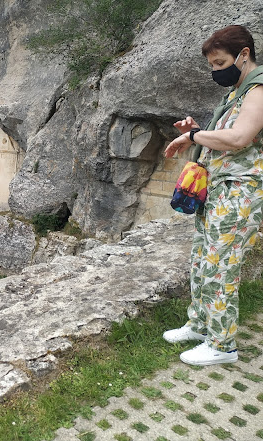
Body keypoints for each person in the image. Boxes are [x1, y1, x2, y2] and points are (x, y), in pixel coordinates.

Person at [163, 25, 263, 366]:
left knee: (221, 266)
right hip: (219, 191)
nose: (216, 71)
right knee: (201, 259)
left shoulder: (259, 90)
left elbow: (239, 139)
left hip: (242, 193)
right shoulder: (236, 93)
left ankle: (223, 346)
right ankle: (201, 325)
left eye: (221, 63)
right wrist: (195, 132)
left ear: (244, 55)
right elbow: (218, 137)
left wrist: (194, 136)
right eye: (213, 65)